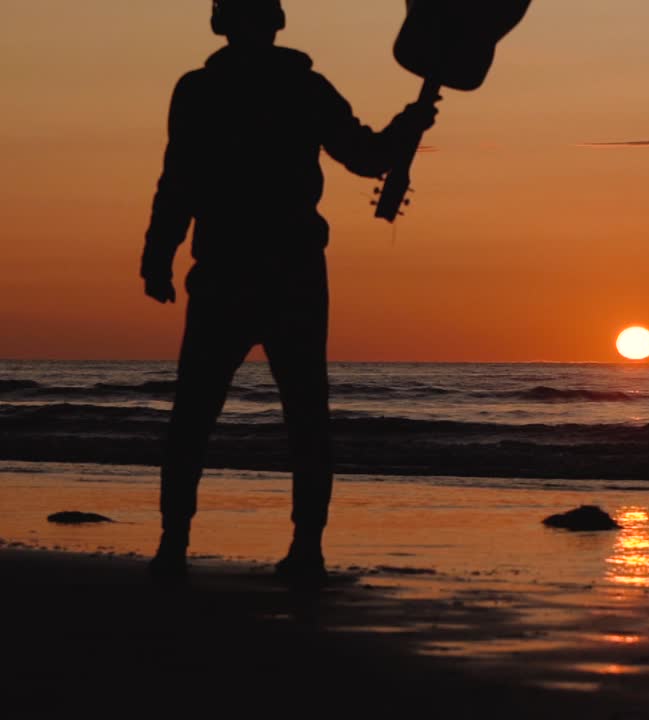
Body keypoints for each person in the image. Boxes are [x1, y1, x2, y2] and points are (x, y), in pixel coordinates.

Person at [142, 0, 436, 584]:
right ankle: (268, 546)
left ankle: (209, 544)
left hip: (247, 267)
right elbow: (366, 156)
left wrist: (159, 254)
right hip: (275, 270)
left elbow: (181, 178)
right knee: (287, 413)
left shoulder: (210, 89)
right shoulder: (289, 88)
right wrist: (407, 127)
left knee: (213, 413)